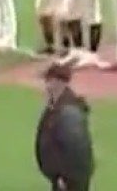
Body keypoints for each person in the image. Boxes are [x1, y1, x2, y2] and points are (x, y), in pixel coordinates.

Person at [35, 61, 96, 191]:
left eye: (48, 81)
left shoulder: (68, 113)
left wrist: (66, 177)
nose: (46, 86)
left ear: (58, 82)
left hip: (69, 179)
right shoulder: (56, 107)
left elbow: (75, 149)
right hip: (61, 177)